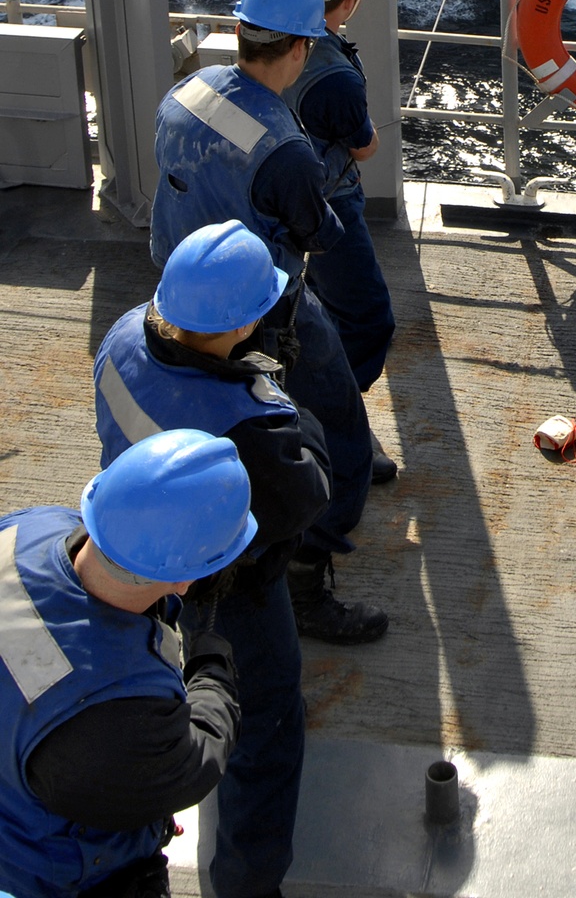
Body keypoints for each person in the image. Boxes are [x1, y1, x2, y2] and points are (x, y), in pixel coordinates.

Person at [94, 220, 366, 898]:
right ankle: (247, 885)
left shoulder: (124, 335)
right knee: (264, 726)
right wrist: (282, 402)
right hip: (224, 582)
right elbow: (305, 498)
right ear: (245, 319)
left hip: (129, 544)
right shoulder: (247, 419)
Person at [150, 0, 388, 647]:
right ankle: (308, 582)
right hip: (261, 306)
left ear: (237, 32)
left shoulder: (185, 91)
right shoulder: (285, 148)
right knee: (335, 429)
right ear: (301, 49)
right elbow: (316, 232)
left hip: (177, 296)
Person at [0, 429, 256, 898]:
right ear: (182, 581)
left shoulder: (30, 527)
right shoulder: (117, 719)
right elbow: (194, 760)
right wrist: (212, 676)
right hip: (50, 877)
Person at [285, 0, 397, 481]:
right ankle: (334, 422)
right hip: (332, 206)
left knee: (322, 313)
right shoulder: (337, 76)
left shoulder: (284, 45)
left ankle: (320, 409)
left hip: (291, 198)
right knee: (370, 320)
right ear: (350, 0)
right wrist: (370, 134)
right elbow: (364, 146)